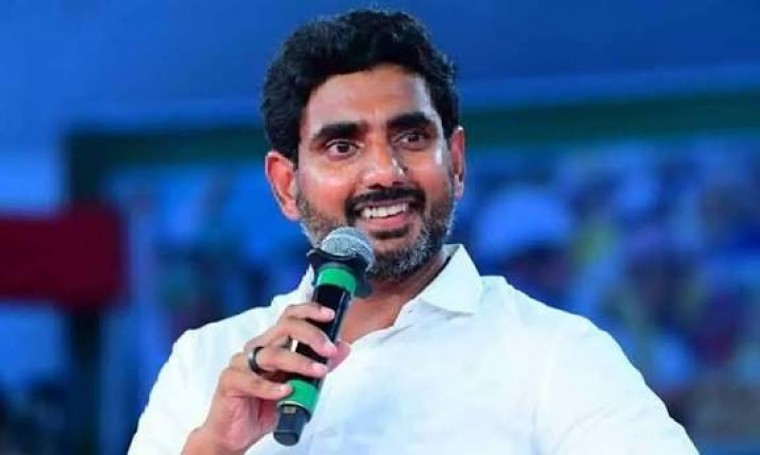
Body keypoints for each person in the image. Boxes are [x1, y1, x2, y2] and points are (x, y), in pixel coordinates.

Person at [129, 9, 698, 454]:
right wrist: (214, 447)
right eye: (342, 146)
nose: (385, 171)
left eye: (411, 137)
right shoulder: (207, 363)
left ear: (457, 161)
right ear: (285, 186)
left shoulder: (553, 355)